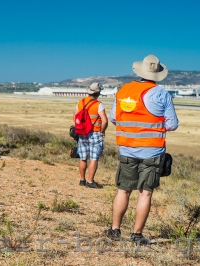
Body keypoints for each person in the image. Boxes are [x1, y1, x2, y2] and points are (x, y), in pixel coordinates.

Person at [105, 55, 179, 242]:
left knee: (123, 190)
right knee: (145, 193)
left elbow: (114, 117)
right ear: (157, 74)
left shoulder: (123, 90)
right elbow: (172, 124)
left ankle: (115, 230)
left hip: (127, 149)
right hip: (151, 151)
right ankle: (137, 235)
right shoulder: (162, 94)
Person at [73, 83, 108, 189]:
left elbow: (75, 117)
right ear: (98, 93)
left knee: (83, 157)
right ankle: (90, 181)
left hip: (83, 134)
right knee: (93, 158)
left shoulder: (80, 102)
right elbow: (105, 120)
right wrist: (102, 131)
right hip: (95, 133)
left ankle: (82, 180)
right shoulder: (98, 104)